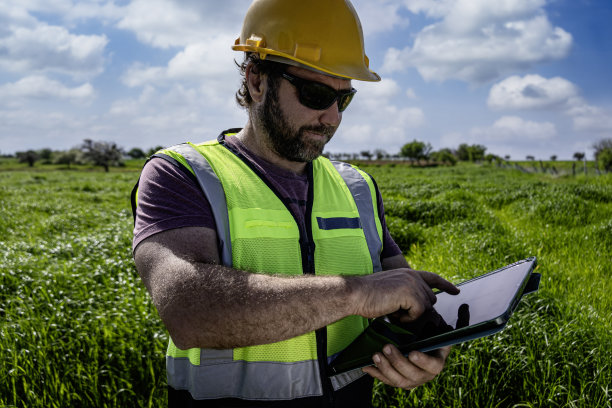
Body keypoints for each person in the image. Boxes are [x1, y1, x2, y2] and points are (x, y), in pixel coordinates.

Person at [131, 0, 459, 406]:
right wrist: (355, 293)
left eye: (344, 99)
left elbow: (400, 301)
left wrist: (424, 343)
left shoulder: (358, 187)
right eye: (317, 93)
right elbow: (188, 310)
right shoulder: (183, 173)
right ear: (256, 81)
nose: (333, 118)